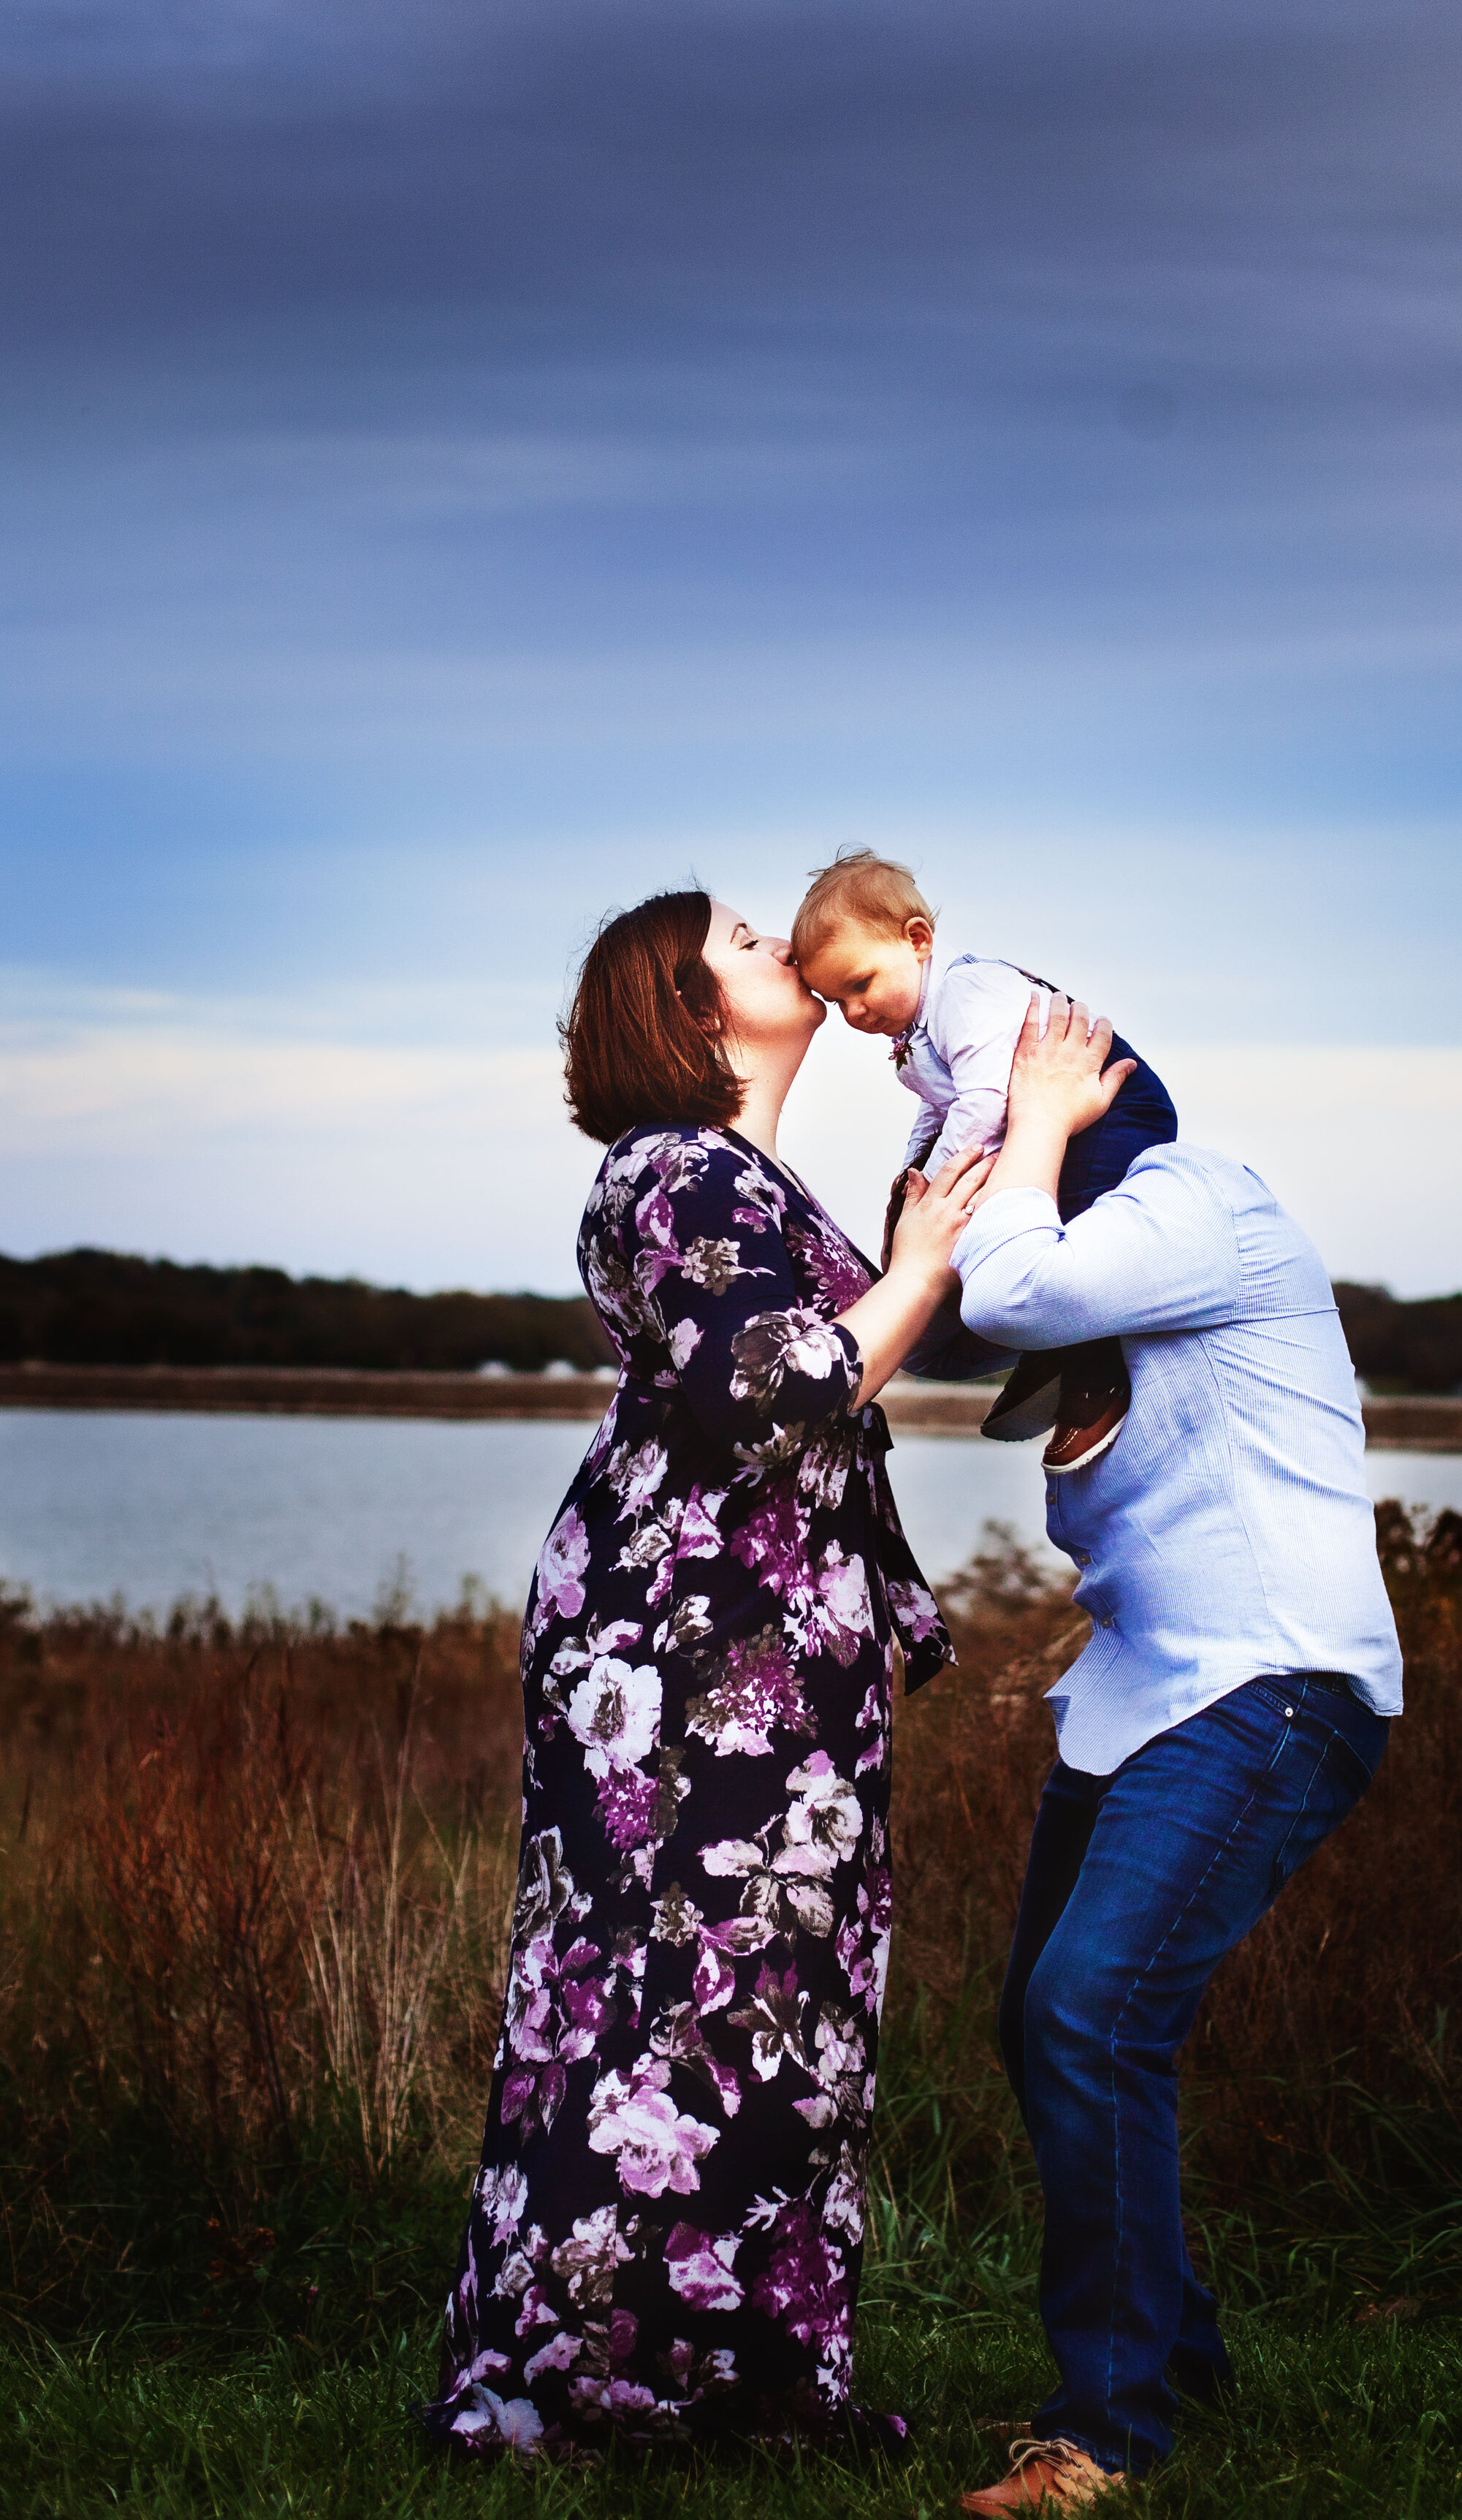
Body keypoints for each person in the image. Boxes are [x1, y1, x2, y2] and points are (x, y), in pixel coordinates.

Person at [424, 889, 988, 2462]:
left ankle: (734, 2380)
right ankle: (590, 2377)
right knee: (663, 1988)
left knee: (769, 1998)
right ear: (687, 1008)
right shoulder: (672, 1169)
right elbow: (767, 1392)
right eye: (744, 939)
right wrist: (916, 1268)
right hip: (689, 1653)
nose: (780, 947)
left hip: (757, 1635)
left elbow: (862, 1349)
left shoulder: (740, 1175)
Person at [948, 997, 1404, 2513]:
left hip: (1271, 1683)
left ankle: (1107, 2431)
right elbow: (962, 1298)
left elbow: (1010, 1285)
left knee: (1091, 2011)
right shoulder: (1089, 1289)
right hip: (1143, 1696)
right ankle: (1175, 2366)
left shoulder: (1198, 1200)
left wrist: (1035, 1109)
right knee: (1039, 2023)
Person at [791, 848, 1178, 1473]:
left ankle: (1095, 1369)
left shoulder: (962, 994)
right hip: (1052, 1112)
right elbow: (940, 1108)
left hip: (1111, 1106)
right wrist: (918, 1174)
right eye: (838, 1001)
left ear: (918, 940)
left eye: (860, 984)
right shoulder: (917, 1030)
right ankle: (1049, 1347)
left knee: (1068, 1233)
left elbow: (984, 1101)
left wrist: (943, 1182)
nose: (854, 1011)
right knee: (1005, 1231)